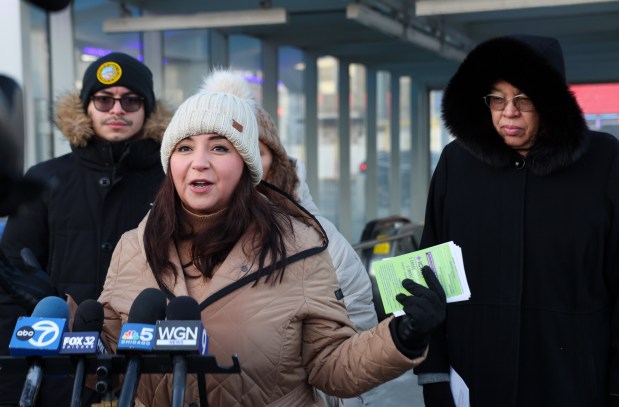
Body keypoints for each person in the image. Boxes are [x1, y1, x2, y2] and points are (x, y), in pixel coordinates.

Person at [96, 69, 447, 406]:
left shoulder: (301, 246)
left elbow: (331, 366)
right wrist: (71, 331)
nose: (199, 162)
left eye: (219, 148)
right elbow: (108, 365)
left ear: (248, 164)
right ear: (169, 161)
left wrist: (402, 336)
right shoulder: (134, 246)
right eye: (184, 148)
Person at [414, 34, 619, 407]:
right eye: (497, 98)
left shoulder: (604, 163)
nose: (508, 112)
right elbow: (431, 276)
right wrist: (434, 377)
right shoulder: (456, 164)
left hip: (572, 382)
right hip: (475, 381)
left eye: (524, 99)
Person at [0, 52, 172, 406]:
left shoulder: (171, 179)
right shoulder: (46, 179)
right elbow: (9, 287)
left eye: (131, 100)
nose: (117, 109)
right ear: (86, 106)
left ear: (148, 109)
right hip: (60, 373)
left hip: (149, 369)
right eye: (104, 99)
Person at [257, 106, 378, 407]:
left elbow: (355, 335)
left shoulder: (321, 241)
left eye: (255, 152)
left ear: (276, 162)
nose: (242, 163)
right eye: (225, 149)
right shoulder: (165, 238)